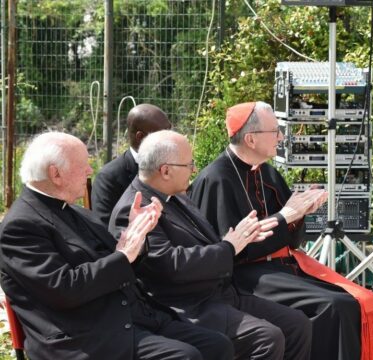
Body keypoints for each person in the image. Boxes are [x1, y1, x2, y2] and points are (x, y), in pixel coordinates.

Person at [0, 132, 233, 360]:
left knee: (217, 345)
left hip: (129, 318)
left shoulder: (77, 212)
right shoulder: (21, 226)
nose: (90, 171)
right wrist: (124, 253)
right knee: (185, 356)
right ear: (56, 174)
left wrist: (137, 235)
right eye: (83, 165)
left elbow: (121, 260)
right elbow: (65, 289)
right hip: (86, 336)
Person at [188, 101, 373, 360]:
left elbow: (290, 236)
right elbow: (226, 252)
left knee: (355, 301)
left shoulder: (267, 173)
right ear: (250, 138)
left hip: (282, 266)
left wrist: (299, 214)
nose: (281, 137)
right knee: (335, 306)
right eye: (275, 131)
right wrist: (286, 217)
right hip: (245, 276)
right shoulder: (215, 179)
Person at [109, 130, 312, 360]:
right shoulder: (134, 209)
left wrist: (244, 236)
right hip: (187, 306)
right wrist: (228, 247)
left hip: (220, 293)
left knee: (297, 325)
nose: (194, 170)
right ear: (165, 170)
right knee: (267, 338)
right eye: (188, 165)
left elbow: (210, 241)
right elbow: (171, 266)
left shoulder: (175, 194)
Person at [92, 103, 172, 225]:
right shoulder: (109, 178)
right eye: (163, 134)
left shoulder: (173, 166)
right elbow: (105, 228)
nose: (171, 139)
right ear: (140, 137)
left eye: (170, 131)